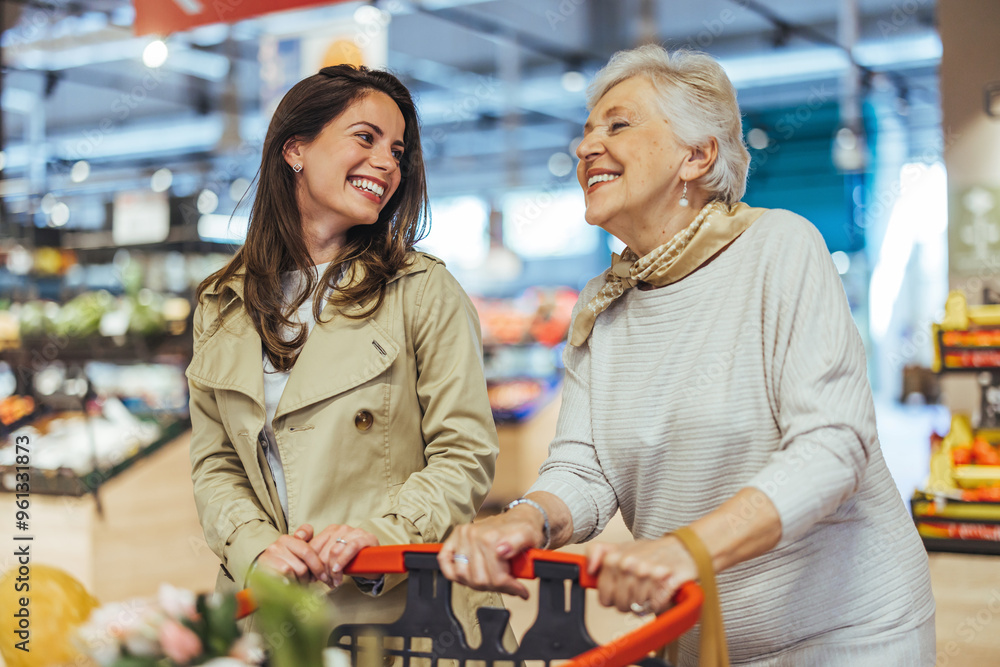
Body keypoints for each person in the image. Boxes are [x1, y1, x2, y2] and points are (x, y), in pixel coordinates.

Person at [438, 46, 936, 666]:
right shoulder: (603, 305)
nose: (585, 147)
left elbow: (833, 447)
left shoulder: (779, 249)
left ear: (696, 156)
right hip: (701, 637)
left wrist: (686, 550)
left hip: (845, 634)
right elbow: (585, 468)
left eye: (617, 125)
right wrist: (529, 517)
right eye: (586, 131)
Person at [186, 64, 505, 635]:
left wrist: (380, 537)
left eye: (399, 150)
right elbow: (216, 464)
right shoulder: (221, 302)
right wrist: (255, 549)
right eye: (366, 137)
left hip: (397, 608)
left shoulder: (423, 290)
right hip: (270, 612)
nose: (388, 162)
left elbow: (465, 453)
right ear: (295, 149)